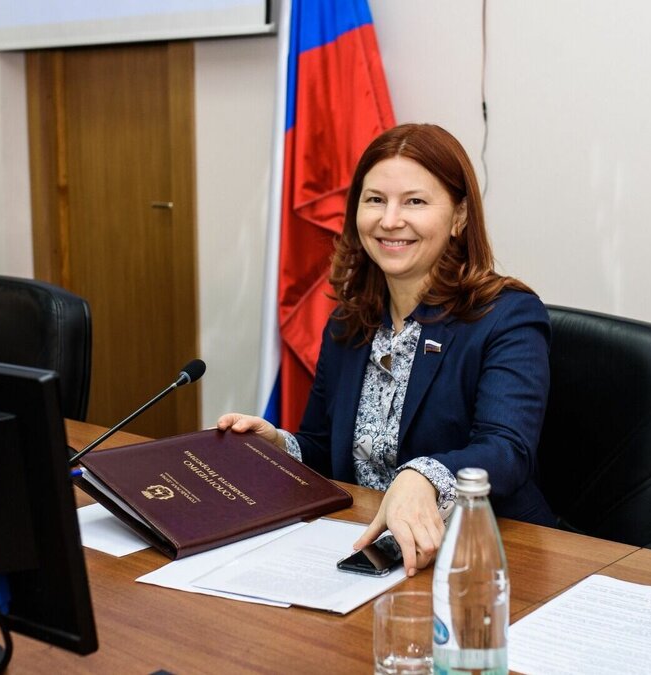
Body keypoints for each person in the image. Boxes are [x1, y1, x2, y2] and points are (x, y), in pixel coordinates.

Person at [218, 124, 554, 575]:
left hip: (487, 559)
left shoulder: (507, 316)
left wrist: (424, 476)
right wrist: (278, 444)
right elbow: (327, 447)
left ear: (458, 217)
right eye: (375, 199)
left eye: (414, 201)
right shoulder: (349, 319)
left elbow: (506, 451)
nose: (390, 219)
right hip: (369, 551)